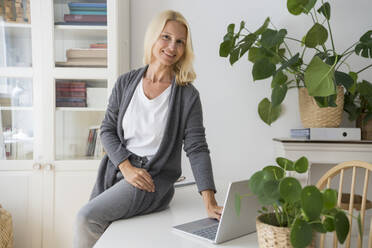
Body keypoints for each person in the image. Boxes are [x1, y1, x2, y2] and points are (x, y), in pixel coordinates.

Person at [73, 10, 222, 248]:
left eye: (180, 42)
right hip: (117, 171)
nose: (172, 46)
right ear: (153, 37)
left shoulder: (187, 95)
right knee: (102, 230)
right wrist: (126, 167)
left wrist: (209, 200)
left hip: (151, 179)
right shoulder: (125, 82)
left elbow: (196, 147)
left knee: (86, 218)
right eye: (166, 37)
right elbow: (107, 130)